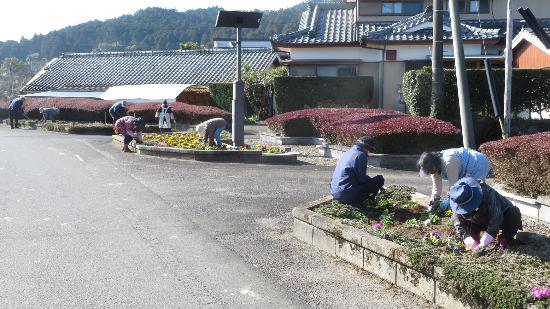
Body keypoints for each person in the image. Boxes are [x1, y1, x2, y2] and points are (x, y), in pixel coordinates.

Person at [449, 177, 522, 251]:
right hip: (478, 221)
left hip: (501, 218)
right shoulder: (458, 198)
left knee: (514, 212)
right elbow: (456, 219)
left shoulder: (486, 191)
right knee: (457, 217)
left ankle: (504, 239)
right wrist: (468, 239)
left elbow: (496, 217)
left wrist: (485, 241)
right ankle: (475, 238)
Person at [417, 147, 491, 210]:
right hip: (466, 168)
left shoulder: (449, 161)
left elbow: (454, 186)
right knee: (464, 193)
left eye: (430, 171)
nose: (430, 173)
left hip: (478, 163)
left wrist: (448, 201)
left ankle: (481, 210)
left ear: (434, 166)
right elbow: (436, 188)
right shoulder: (434, 168)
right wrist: (433, 199)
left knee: (471, 191)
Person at [330, 136, 385, 206]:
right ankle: (367, 201)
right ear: (367, 148)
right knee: (379, 179)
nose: (369, 153)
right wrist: (375, 185)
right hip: (346, 194)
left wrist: (369, 180)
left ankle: (356, 199)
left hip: (335, 191)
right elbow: (362, 180)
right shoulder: (361, 155)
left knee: (370, 181)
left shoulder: (348, 152)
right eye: (370, 150)